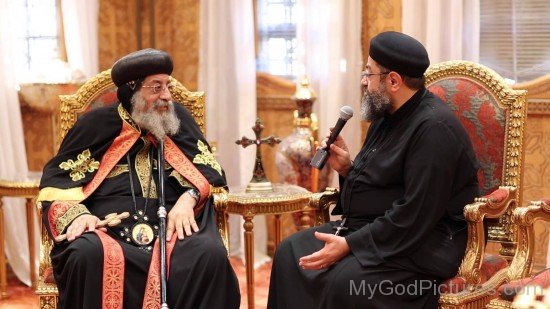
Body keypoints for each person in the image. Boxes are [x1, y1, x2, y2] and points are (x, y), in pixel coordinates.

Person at [268, 31, 480, 308]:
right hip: (376, 229)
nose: (364, 81)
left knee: (344, 284)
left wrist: (351, 244)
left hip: (422, 244)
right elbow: (383, 184)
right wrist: (347, 169)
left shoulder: (433, 129)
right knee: (289, 253)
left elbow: (415, 212)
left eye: (369, 74)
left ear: (393, 80)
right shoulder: (386, 115)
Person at [37, 48, 240, 309]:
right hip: (106, 228)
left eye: (167, 86)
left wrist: (189, 198)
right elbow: (57, 182)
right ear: (132, 90)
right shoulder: (95, 125)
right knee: (86, 254)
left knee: (209, 255)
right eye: (156, 88)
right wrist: (78, 215)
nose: (166, 96)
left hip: (172, 229)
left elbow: (210, 172)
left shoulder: (179, 122)